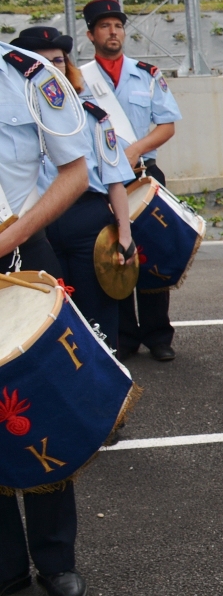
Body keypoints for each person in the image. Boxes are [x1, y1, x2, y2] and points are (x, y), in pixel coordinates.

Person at [0, 35, 95, 596]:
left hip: (20, 256)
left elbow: (75, 174)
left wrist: (12, 235)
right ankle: (5, 563)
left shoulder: (30, 74)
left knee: (40, 415)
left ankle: (55, 558)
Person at [19, 27, 137, 356]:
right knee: (47, 316)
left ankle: (106, 390)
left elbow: (115, 180)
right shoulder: (16, 121)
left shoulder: (92, 116)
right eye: (40, 63)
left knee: (98, 313)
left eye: (58, 60)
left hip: (88, 221)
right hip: (35, 224)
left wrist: (125, 236)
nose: (51, 69)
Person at [77, 0, 182, 362]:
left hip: (143, 172)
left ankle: (158, 334)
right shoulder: (78, 78)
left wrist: (136, 150)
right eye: (104, 26)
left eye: (118, 25)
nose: (113, 32)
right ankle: (124, 335)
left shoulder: (148, 75)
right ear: (91, 34)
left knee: (153, 253)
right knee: (111, 253)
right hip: (102, 180)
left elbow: (167, 125)